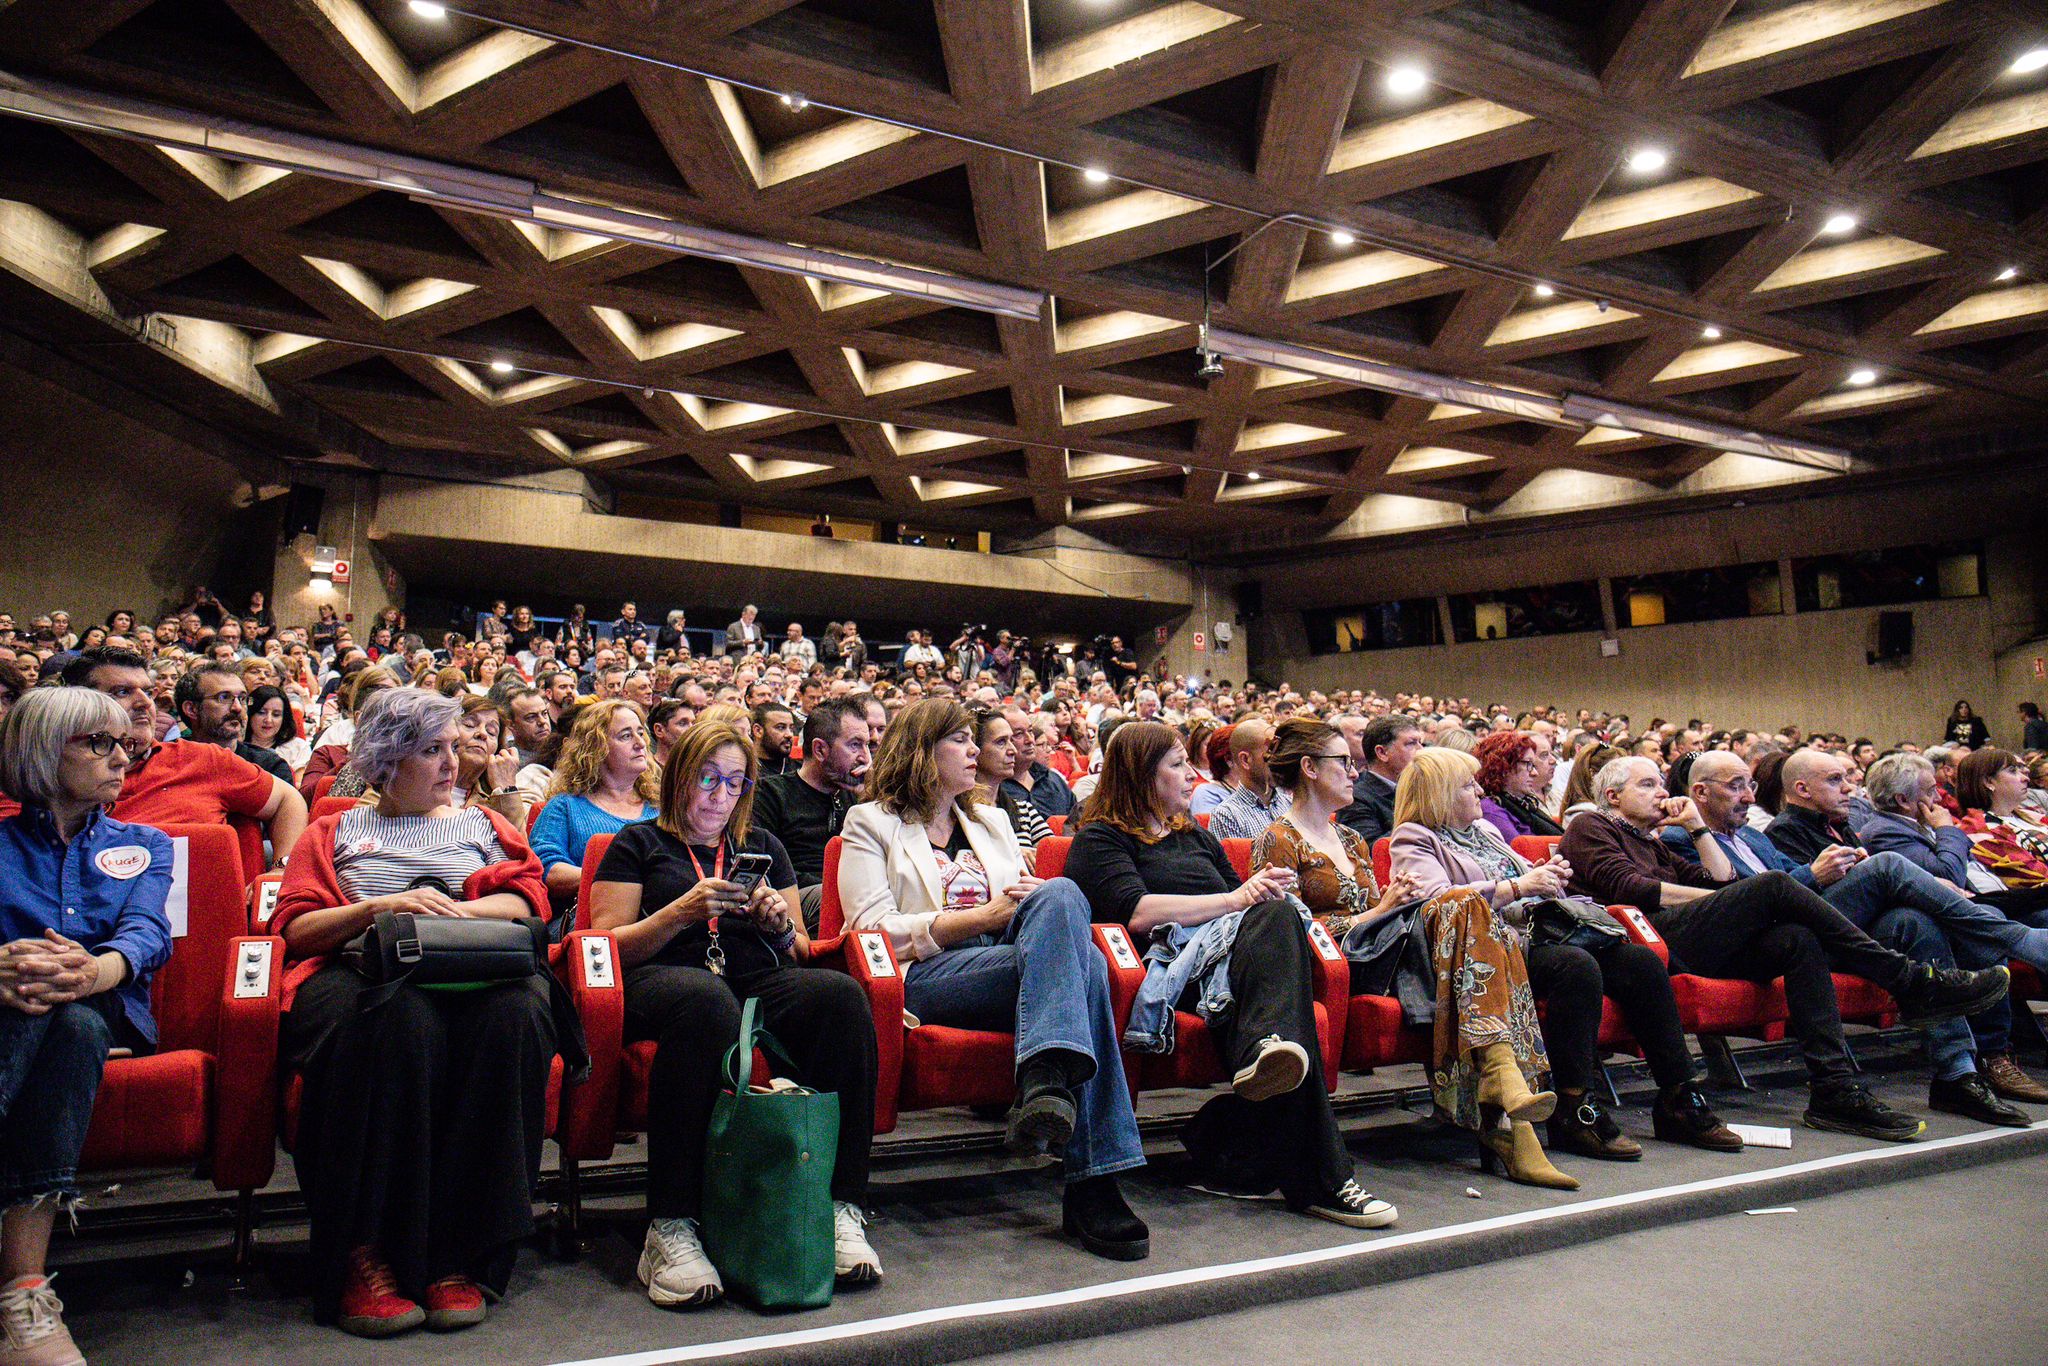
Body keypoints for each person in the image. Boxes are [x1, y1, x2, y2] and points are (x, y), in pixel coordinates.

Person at [270, 689, 568, 1337]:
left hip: (470, 962)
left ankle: (455, 1254)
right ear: (383, 761)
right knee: (401, 1022)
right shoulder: (335, 828)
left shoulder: (486, 827)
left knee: (517, 1015)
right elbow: (296, 929)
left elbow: (527, 906)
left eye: (452, 749)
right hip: (360, 971)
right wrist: (378, 909)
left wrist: (451, 912)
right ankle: (364, 1250)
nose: (450, 764)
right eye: (430, 750)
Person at [839, 700, 1150, 1260]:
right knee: (1091, 968)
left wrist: (1023, 911)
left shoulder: (993, 820)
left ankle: (1047, 1080)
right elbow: (871, 931)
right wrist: (980, 919)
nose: (976, 751)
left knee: (1063, 896)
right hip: (930, 975)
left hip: (1010, 966)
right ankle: (1093, 1179)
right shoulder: (871, 823)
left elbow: (1036, 913)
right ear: (920, 749)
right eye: (960, 740)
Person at [1562, 756, 2009, 1141]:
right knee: (1772, 887)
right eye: (1647, 784)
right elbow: (1631, 889)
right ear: (1613, 796)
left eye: (1661, 782)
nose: (1662, 792)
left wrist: (1698, 828)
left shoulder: (1653, 839)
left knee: (1799, 939)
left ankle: (1833, 1089)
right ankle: (1909, 979)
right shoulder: (1590, 826)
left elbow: (1720, 881)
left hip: (1695, 935)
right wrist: (1742, 899)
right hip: (1648, 941)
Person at [1063, 720, 1394, 1231]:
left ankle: (1264, 1067)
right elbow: (1137, 913)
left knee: (1279, 915)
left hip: (1232, 964)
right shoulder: (1099, 840)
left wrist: (1259, 891)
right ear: (1139, 776)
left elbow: (1244, 913)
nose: (1193, 776)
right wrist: (1238, 897)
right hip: (1173, 969)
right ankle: (1321, 1176)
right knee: (1280, 972)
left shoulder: (1194, 836)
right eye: (1177, 766)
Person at [589, 720, 877, 1305]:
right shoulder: (637, 844)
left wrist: (777, 921)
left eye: (734, 783)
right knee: (704, 1003)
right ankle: (671, 1225)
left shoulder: (763, 848)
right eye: (708, 780)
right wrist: (680, 912)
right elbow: (605, 946)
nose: (721, 797)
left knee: (840, 997)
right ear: (679, 782)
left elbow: (798, 948)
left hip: (752, 978)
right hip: (663, 981)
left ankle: (838, 1206)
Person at [1394, 748, 1736, 1172]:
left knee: (1639, 963)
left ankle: (1678, 1097)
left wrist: (1548, 879)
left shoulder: (1484, 830)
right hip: (1484, 957)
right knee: (1575, 966)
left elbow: (1525, 882)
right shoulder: (1413, 838)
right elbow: (1435, 903)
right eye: (1468, 785)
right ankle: (1575, 1105)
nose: (1480, 790)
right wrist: (1519, 886)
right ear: (1439, 794)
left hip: (1535, 934)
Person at [1675, 751, 2046, 1122]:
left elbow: (1795, 881)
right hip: (1775, 946)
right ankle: (2021, 942)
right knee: (1886, 866)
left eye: (1750, 785)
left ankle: (1957, 1073)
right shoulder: (1681, 838)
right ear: (1701, 793)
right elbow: (1743, 903)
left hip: (1829, 934)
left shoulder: (1754, 839)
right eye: (1736, 786)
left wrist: (1840, 870)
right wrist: (1817, 874)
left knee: (1913, 922)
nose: (1750, 797)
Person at [0, 690, 174, 1366]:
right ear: (45, 750)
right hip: (19, 1010)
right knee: (59, 1022)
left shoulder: (145, 844)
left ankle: (21, 1300)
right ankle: (23, 1294)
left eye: (124, 741)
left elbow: (147, 933)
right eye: (97, 744)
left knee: (68, 1013)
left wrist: (93, 971)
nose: (122, 756)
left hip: (104, 1002)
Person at [60, 647, 305, 869]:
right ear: (80, 705)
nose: (145, 702)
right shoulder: (55, 778)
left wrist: (282, 871)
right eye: (122, 692)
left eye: (147, 692)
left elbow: (288, 801)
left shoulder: (204, 760)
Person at [752, 698, 871, 934]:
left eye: (867, 746)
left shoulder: (858, 795)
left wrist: (871, 800)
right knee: (845, 899)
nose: (865, 758)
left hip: (853, 889)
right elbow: (765, 867)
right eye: (855, 745)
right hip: (798, 894)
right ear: (820, 750)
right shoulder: (770, 794)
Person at [531, 700, 660, 907]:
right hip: (587, 917)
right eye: (626, 736)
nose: (640, 743)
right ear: (596, 748)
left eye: (640, 733)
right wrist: (620, 879)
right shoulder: (565, 807)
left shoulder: (660, 808)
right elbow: (546, 870)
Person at [967, 708, 1054, 852]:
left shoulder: (1023, 810)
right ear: (975, 750)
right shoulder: (959, 814)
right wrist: (1016, 854)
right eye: (1001, 742)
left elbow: (1053, 854)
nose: (1012, 750)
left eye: (1011, 739)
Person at [1339, 714, 1422, 843]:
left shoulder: (1419, 788)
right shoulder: (1356, 798)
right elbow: (1369, 852)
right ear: (1382, 753)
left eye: (1420, 743)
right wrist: (1419, 815)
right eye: (1411, 743)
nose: (1421, 750)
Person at [1206, 719, 1287, 842]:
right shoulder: (1226, 816)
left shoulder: (1290, 803)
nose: (1281, 761)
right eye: (1271, 753)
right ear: (1245, 760)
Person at [1472, 730, 1563, 840]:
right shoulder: (1491, 810)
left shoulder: (1526, 805)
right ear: (1504, 767)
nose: (1535, 773)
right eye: (1528, 764)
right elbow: (1519, 854)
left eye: (1533, 765)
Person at [1001, 708, 1075, 819]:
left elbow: (1078, 824)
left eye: (1030, 731)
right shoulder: (995, 790)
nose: (1030, 740)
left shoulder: (1053, 779)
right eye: (1018, 734)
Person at [248, 683, 312, 776]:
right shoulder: (234, 745)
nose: (268, 720)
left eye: (276, 714)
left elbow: (299, 786)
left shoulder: (298, 747)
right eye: (261, 713)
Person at [752, 703, 798, 778]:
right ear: (758, 731)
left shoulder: (800, 770)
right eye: (780, 727)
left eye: (791, 728)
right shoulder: (745, 769)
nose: (789, 734)